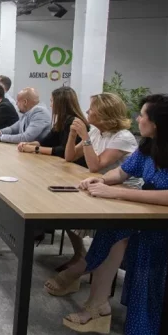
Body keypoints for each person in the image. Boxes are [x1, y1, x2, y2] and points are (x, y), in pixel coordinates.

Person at [51, 94, 168, 335]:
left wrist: (117, 192)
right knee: (114, 231)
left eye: (142, 115)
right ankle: (98, 305)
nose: (137, 119)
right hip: (157, 217)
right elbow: (121, 172)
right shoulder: (151, 144)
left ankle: (84, 282)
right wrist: (102, 181)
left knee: (119, 232)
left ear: (158, 122)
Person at [42, 92, 139, 274]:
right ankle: (81, 254)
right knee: (62, 205)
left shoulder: (122, 137)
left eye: (92, 109)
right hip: (99, 184)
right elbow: (69, 156)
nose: (87, 111)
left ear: (103, 114)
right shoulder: (96, 131)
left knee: (70, 208)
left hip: (122, 190)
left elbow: (95, 166)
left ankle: (91, 261)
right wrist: (72, 135)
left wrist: (85, 137)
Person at [17, 86, 88, 166]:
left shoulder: (74, 122)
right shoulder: (62, 121)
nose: (50, 105)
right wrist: (29, 144)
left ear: (60, 104)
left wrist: (35, 149)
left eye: (52, 101)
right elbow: (46, 142)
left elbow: (63, 151)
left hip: (76, 167)